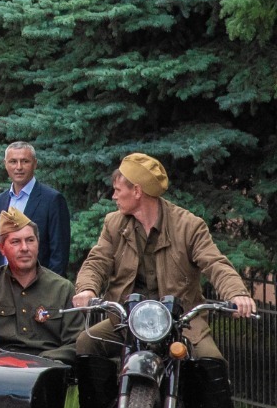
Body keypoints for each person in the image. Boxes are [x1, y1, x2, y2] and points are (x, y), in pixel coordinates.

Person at [73, 153, 256, 360]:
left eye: (118, 190)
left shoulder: (188, 226)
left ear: (137, 191)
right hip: (128, 320)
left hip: (181, 322)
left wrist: (236, 293)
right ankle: (105, 384)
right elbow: (97, 261)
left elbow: (215, 263)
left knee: (211, 361)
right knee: (87, 343)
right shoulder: (114, 223)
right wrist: (87, 289)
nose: (114, 196)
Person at [0, 209, 80, 362]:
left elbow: (76, 341)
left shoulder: (62, 289)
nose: (25, 248)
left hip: (47, 369)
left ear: (38, 243)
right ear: (1, 248)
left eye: (30, 240)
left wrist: (45, 361)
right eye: (15, 242)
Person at [0, 142, 72, 276]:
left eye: (25, 161)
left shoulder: (52, 200)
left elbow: (59, 254)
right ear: (5, 164)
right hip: (2, 285)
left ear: (35, 164)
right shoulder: (0, 201)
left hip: (37, 285)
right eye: (13, 161)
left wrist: (49, 287)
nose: (19, 167)